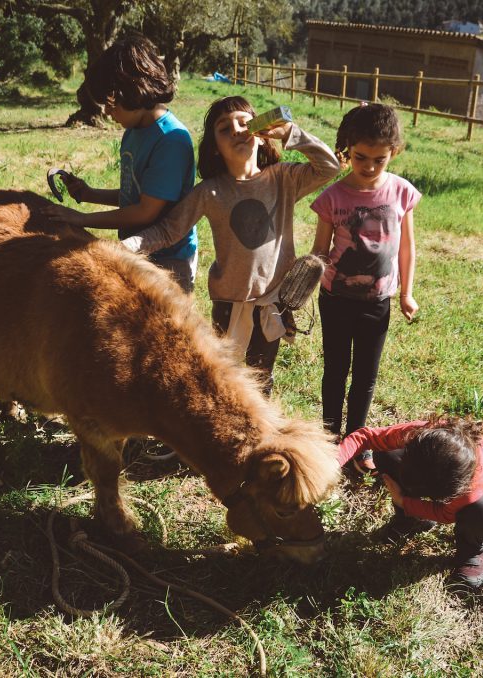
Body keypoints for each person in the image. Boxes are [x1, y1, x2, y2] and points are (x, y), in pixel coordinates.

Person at [121, 96, 340, 391]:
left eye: (244, 123)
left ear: (262, 136)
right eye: (224, 128)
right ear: (215, 147)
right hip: (227, 303)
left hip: (272, 302)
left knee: (261, 379)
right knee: (225, 379)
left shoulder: (284, 180)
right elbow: (169, 231)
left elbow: (330, 166)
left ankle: (259, 433)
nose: (237, 130)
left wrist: (290, 133)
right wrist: (128, 245)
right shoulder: (209, 192)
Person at [42, 33, 198, 292]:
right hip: (138, 249)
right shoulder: (133, 132)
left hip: (169, 260)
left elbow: (145, 211)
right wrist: (90, 193)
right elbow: (134, 196)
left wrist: (80, 219)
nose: (105, 111)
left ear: (134, 92)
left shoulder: (170, 140)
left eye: (110, 102)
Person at [309, 103, 420, 439]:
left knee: (365, 375)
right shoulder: (333, 197)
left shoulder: (401, 192)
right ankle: (330, 437)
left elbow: (406, 247)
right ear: (347, 151)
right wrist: (300, 285)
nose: (369, 166)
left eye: (379, 159)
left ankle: (357, 440)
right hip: (336, 298)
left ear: (394, 152)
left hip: (377, 302)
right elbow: (320, 250)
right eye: (360, 157)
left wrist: (407, 293)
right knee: (335, 370)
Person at [337, 416, 483, 588]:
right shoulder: (422, 434)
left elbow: (445, 514)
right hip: (440, 473)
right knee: (386, 453)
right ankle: (413, 521)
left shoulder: (471, 486)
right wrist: (332, 463)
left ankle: (472, 550)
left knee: (482, 513)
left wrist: (403, 501)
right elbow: (367, 437)